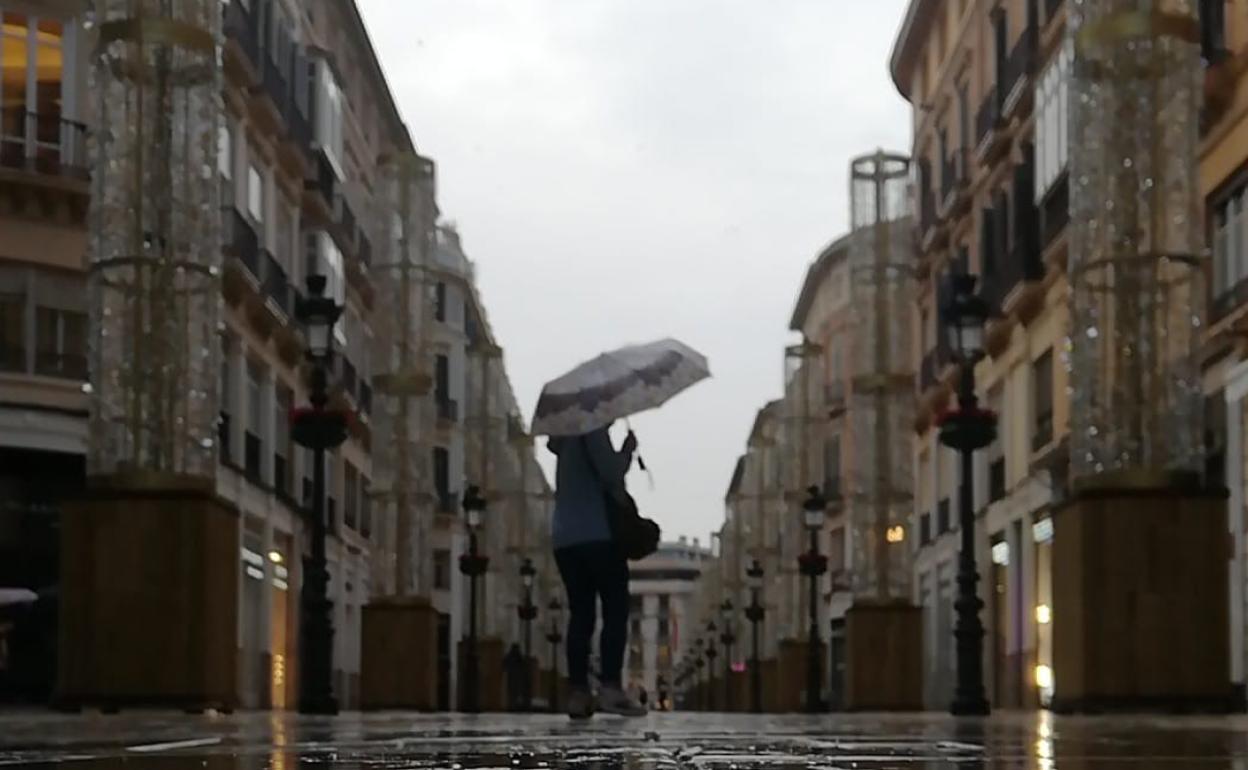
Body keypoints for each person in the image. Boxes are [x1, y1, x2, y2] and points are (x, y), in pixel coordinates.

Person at [548, 424, 646, 719]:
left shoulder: (563, 440)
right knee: (616, 609)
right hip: (599, 535)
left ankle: (578, 691)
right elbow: (611, 473)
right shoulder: (591, 430)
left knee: (581, 614)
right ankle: (610, 688)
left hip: (565, 538)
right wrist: (627, 451)